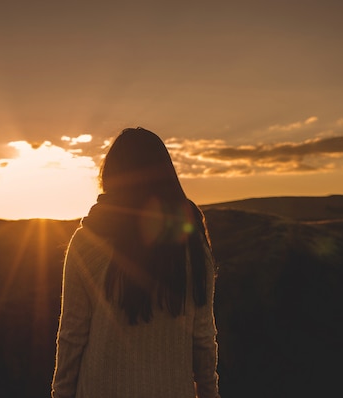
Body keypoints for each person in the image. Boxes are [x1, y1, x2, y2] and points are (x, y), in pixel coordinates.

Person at [52, 127, 220, 398]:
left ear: (111, 176)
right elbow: (203, 337)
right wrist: (210, 393)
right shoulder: (191, 242)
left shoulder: (87, 242)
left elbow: (72, 337)